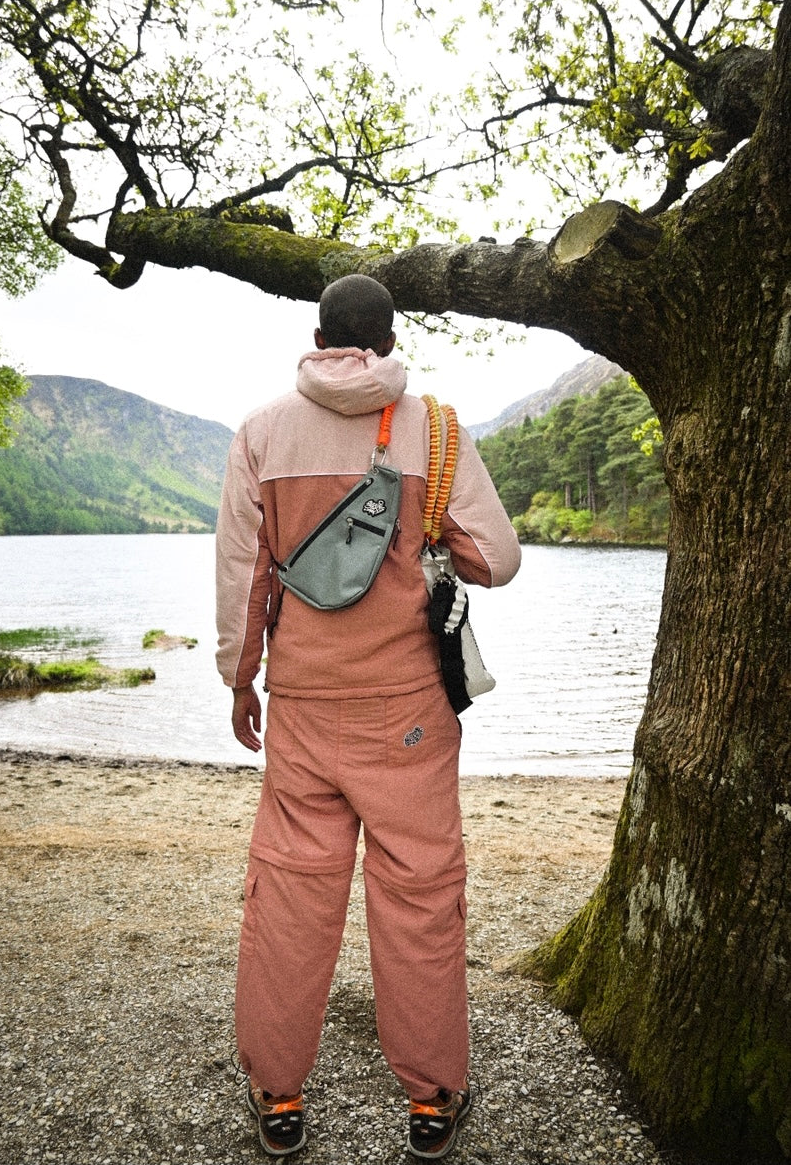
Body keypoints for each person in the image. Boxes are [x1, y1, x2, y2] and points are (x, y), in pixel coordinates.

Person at [215, 273, 521, 1159]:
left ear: (317, 334)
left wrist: (243, 682)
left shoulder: (262, 430)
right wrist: (428, 537)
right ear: (387, 339)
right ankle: (431, 1100)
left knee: (291, 893)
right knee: (421, 894)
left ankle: (278, 1095)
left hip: (304, 706)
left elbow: (244, 579)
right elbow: (495, 558)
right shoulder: (439, 428)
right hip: (410, 713)